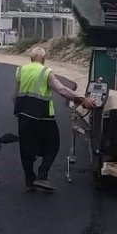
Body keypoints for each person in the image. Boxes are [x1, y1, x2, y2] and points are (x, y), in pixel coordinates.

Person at [14, 46, 95, 192]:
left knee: (25, 148)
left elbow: (15, 94)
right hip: (43, 117)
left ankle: (29, 179)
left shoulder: (20, 70)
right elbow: (62, 90)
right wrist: (82, 99)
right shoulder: (46, 72)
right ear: (44, 59)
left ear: (31, 58)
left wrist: (19, 111)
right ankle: (42, 176)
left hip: (24, 116)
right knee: (53, 144)